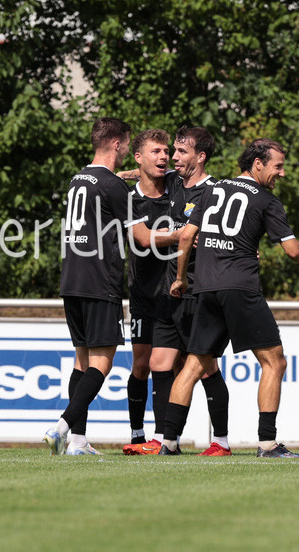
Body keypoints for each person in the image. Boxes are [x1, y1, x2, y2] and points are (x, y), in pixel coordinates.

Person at [164, 138, 299, 458]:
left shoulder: (213, 190)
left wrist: (179, 277)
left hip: (204, 288)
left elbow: (187, 235)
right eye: (278, 166)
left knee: (192, 367)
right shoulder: (267, 200)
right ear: (257, 163)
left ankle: (169, 443)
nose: (282, 173)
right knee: (274, 362)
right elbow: (290, 248)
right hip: (240, 289)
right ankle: (268, 444)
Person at [44, 117, 168, 456]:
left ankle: (78, 442)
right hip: (100, 281)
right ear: (117, 144)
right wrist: (186, 235)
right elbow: (142, 237)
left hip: (71, 279)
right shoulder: (114, 187)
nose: (129, 149)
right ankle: (61, 427)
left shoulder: (77, 179)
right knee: (102, 362)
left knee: (81, 362)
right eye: (128, 143)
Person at [123, 126, 232, 456]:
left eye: (180, 152)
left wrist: (244, 247)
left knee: (206, 366)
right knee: (159, 360)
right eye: (172, 151)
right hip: (171, 294)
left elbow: (235, 226)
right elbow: (145, 170)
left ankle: (221, 441)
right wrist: (117, 175)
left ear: (199, 157)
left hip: (202, 290)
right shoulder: (173, 182)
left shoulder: (215, 191)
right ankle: (162, 439)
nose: (172, 157)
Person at [121, 129, 173, 448]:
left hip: (174, 293)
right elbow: (143, 238)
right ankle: (137, 432)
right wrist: (180, 235)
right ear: (139, 157)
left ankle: (163, 435)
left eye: (166, 151)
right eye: (155, 151)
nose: (163, 156)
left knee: (166, 366)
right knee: (141, 365)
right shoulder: (129, 198)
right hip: (143, 293)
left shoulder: (179, 190)